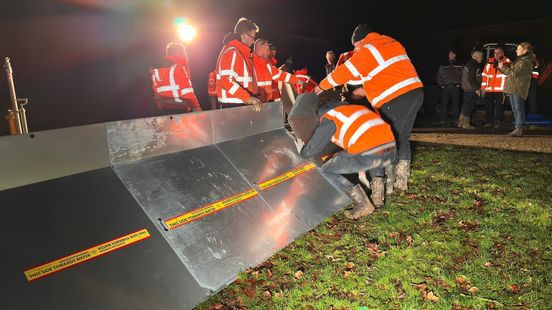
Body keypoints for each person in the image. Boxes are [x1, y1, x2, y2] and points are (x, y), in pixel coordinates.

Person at [316, 24, 424, 192]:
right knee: (402, 137)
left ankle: (379, 189)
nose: (355, 48)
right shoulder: (391, 42)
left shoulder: (367, 49)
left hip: (394, 97)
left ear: (360, 41)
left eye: (355, 45)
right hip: (415, 92)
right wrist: (365, 90)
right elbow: (388, 73)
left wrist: (321, 87)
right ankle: (401, 182)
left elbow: (345, 71)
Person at [295, 90, 397, 219]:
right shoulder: (357, 109)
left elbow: (313, 148)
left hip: (369, 154)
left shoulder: (331, 116)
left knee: (326, 169)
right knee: (374, 148)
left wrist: (302, 150)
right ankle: (377, 197)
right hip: (390, 150)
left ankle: (363, 204)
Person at [214, 17, 262, 111]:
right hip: (233, 107)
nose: (253, 41)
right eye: (253, 37)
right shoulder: (233, 52)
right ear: (244, 36)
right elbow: (226, 81)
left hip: (238, 104)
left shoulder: (239, 52)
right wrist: (248, 98)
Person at [150, 42, 201, 114]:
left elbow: (155, 93)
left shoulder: (157, 69)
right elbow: (188, 92)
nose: (186, 55)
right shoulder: (178, 67)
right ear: (178, 54)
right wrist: (197, 108)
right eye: (184, 53)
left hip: (162, 111)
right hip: (179, 109)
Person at [499, 42, 535, 137]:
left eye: (518, 49)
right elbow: (512, 73)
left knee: (518, 109)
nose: (516, 50)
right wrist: (505, 68)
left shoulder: (525, 61)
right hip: (513, 88)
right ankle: (517, 128)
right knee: (515, 109)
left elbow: (514, 73)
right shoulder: (520, 60)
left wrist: (503, 68)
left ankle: (519, 128)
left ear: (525, 50)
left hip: (519, 88)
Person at [481, 47, 511, 128]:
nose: (496, 54)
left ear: (502, 53)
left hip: (501, 89)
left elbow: (510, 75)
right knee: (488, 106)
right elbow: (484, 75)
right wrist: (483, 87)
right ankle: (489, 122)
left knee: (499, 107)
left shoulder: (507, 61)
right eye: (495, 53)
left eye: (498, 53)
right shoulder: (489, 62)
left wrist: (507, 88)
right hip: (489, 89)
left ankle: (498, 122)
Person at [436, 50, 463, 127]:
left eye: (453, 54)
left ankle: (456, 120)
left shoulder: (460, 64)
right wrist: (441, 85)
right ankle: (443, 120)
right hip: (445, 88)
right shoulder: (443, 64)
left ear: (455, 55)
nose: (451, 55)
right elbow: (438, 76)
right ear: (448, 55)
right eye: (450, 54)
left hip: (456, 87)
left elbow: (463, 75)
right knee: (444, 104)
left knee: (456, 105)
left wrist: (460, 84)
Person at [459, 50, 484, 129]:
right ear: (475, 57)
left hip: (468, 89)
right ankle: (466, 124)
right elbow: (471, 79)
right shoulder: (473, 65)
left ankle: (461, 122)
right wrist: (476, 88)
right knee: (469, 106)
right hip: (471, 89)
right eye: (481, 57)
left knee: (465, 105)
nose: (482, 58)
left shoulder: (470, 64)